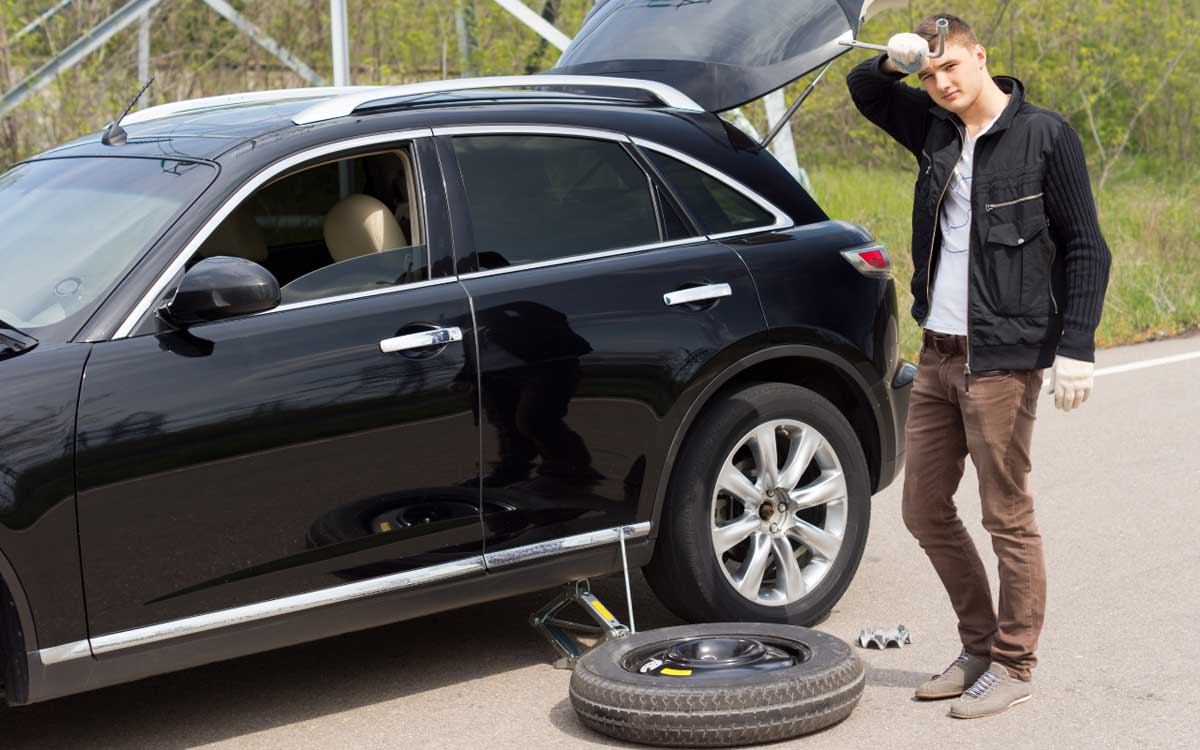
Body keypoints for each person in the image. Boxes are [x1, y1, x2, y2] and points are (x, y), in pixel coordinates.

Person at [846, 14, 1111, 718]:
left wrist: (1076, 346)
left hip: (1003, 358)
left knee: (1006, 515)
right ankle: (979, 647)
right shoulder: (933, 128)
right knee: (924, 508)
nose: (941, 84)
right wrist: (890, 64)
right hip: (937, 351)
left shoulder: (1044, 135)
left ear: (979, 56)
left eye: (949, 68)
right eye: (929, 75)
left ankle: (1016, 663)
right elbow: (865, 93)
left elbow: (1088, 246)